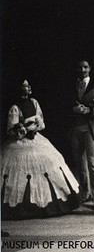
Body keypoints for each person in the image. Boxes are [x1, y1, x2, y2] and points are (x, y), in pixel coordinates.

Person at [2, 79, 79, 219]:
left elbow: (41, 121)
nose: (28, 88)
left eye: (28, 85)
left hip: (36, 138)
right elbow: (11, 130)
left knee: (52, 160)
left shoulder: (34, 102)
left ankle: (58, 202)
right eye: (24, 86)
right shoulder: (15, 107)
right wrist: (22, 129)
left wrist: (36, 126)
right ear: (19, 89)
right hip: (20, 143)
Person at [69, 60, 94, 210]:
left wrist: (89, 111)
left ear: (90, 68)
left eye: (85, 67)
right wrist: (74, 109)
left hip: (91, 127)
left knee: (93, 162)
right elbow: (65, 103)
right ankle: (85, 194)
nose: (82, 70)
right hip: (76, 127)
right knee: (79, 162)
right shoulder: (72, 84)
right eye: (79, 67)